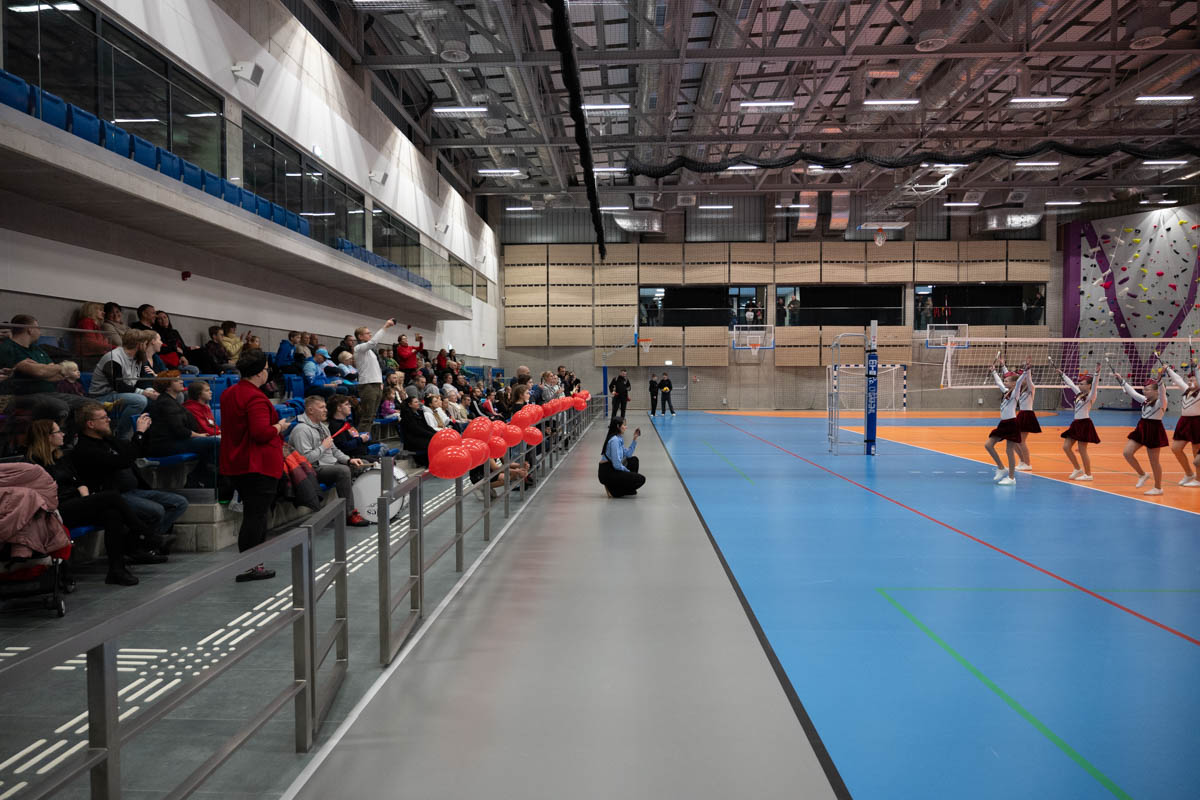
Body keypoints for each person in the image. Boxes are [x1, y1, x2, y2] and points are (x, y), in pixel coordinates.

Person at [24, 419, 153, 585]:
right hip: (55, 510)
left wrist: (85, 496)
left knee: (112, 514)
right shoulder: (34, 464)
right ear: (47, 437)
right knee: (111, 497)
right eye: (58, 431)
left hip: (75, 503)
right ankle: (146, 534)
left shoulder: (61, 457)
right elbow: (43, 494)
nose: (63, 434)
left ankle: (117, 570)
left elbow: (78, 481)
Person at [71, 402, 184, 553]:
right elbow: (123, 461)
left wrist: (145, 432)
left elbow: (135, 451)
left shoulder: (108, 439)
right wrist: (138, 433)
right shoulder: (85, 449)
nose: (109, 420)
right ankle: (144, 544)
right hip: (114, 495)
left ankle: (142, 543)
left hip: (133, 490)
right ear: (90, 424)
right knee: (156, 510)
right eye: (103, 418)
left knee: (179, 502)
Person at [219, 350, 290, 581]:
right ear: (260, 372)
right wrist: (279, 427)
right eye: (266, 368)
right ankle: (250, 566)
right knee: (256, 516)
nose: (267, 372)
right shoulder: (256, 398)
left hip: (237, 461)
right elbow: (261, 433)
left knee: (253, 514)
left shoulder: (229, 393)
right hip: (257, 463)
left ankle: (253, 563)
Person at [288, 396, 370, 526]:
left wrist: (349, 460)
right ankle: (349, 514)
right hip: (312, 469)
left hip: (329, 464)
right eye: (321, 407)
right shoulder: (301, 430)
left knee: (361, 464)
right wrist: (323, 447)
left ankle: (363, 506)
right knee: (343, 471)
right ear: (310, 410)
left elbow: (335, 450)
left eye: (325, 407)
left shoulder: (323, 427)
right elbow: (305, 460)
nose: (326, 410)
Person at [0, 315, 87, 431]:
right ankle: (53, 437)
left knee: (89, 405)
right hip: (21, 395)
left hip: (49, 393)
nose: (40, 332)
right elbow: (39, 372)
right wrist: (61, 367)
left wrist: (48, 369)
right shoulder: (8, 348)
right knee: (60, 407)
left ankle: (71, 439)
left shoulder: (36, 349)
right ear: (30, 330)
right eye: (38, 328)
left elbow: (57, 375)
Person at [145, 371, 220, 486]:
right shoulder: (165, 402)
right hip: (165, 445)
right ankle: (212, 479)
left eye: (180, 378)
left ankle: (200, 478)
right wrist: (199, 435)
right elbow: (179, 430)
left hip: (176, 441)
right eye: (177, 380)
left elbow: (189, 425)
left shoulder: (173, 402)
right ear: (167, 386)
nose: (181, 381)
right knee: (215, 442)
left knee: (211, 445)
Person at [89, 329, 160, 439]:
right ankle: (121, 435)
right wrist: (145, 393)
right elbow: (119, 386)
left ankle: (152, 436)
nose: (147, 346)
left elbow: (143, 380)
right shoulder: (113, 358)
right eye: (146, 344)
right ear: (139, 344)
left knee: (160, 398)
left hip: (122, 394)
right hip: (102, 396)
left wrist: (151, 391)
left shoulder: (138, 357)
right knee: (140, 400)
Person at [1117, 370, 1168, 496]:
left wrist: (1160, 380)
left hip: (1154, 429)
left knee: (1154, 461)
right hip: (1142, 427)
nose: (1145, 391)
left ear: (1156, 391)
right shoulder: (1144, 400)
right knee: (1127, 453)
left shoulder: (1161, 402)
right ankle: (1142, 474)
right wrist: (1121, 380)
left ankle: (1158, 488)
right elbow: (1132, 392)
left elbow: (1162, 393)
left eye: (1148, 389)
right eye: (1144, 389)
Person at [983, 360, 1028, 486]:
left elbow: (1019, 382)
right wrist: (993, 371)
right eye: (1005, 380)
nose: (1004, 382)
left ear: (1014, 383)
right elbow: (998, 382)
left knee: (1009, 450)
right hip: (1003, 424)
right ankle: (1001, 467)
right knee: (988, 445)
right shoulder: (1005, 392)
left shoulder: (1015, 393)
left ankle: (1011, 478)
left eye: (1007, 381)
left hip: (1012, 424)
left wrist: (1025, 371)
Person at [350, 319, 395, 430]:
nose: (370, 335)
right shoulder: (358, 348)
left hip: (376, 384)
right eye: (367, 333)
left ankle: (366, 437)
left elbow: (375, 368)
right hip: (368, 385)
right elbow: (373, 342)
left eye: (370, 333)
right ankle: (361, 438)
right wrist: (385, 327)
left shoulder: (370, 352)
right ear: (360, 336)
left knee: (372, 416)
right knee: (367, 417)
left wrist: (380, 382)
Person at [1058, 367, 1100, 481]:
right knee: (1066, 447)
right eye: (1079, 383)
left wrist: (1096, 374)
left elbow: (1095, 385)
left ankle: (1088, 474)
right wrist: (1062, 374)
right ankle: (1077, 469)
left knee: (1082, 450)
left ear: (1089, 385)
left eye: (1082, 384)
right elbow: (1071, 384)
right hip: (1076, 424)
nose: (1079, 385)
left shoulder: (1091, 396)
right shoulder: (1079, 394)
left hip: (1084, 424)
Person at [1163, 363, 1200, 487]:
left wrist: (1197, 369)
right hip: (1184, 421)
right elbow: (1178, 379)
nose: (1190, 382)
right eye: (1189, 380)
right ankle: (1189, 474)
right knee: (1176, 448)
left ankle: (1199, 479)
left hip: (1197, 422)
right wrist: (1168, 369)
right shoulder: (1186, 390)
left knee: (1196, 451)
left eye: (1193, 380)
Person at [1002, 359, 1038, 471]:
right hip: (1020, 414)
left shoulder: (1031, 388)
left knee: (1021, 441)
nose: (1019, 379)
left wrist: (1028, 369)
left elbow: (1028, 379)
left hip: (1027, 415)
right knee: (1013, 440)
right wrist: (1003, 366)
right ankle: (1022, 461)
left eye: (1022, 377)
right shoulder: (1018, 389)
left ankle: (1027, 464)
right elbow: (1010, 377)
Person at [598, 416, 645, 498]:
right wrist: (628, 472)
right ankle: (613, 490)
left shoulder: (619, 438)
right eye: (624, 425)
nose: (626, 427)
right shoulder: (614, 441)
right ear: (618, 426)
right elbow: (616, 464)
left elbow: (628, 454)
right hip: (607, 472)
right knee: (641, 479)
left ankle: (616, 487)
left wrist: (635, 438)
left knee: (634, 460)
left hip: (612, 468)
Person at [328, 395, 372, 460]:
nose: (350, 406)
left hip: (359, 453)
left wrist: (361, 438)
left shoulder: (346, 422)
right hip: (352, 458)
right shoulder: (335, 426)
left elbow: (355, 435)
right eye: (346, 404)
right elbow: (343, 447)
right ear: (339, 408)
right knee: (382, 448)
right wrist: (360, 439)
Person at [399, 394, 436, 466]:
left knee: (435, 439)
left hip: (420, 436)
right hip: (412, 439)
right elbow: (417, 430)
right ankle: (428, 463)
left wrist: (435, 433)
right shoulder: (407, 416)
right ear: (410, 405)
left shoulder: (420, 412)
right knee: (432, 443)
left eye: (418, 401)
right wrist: (431, 435)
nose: (418, 403)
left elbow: (426, 426)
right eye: (415, 402)